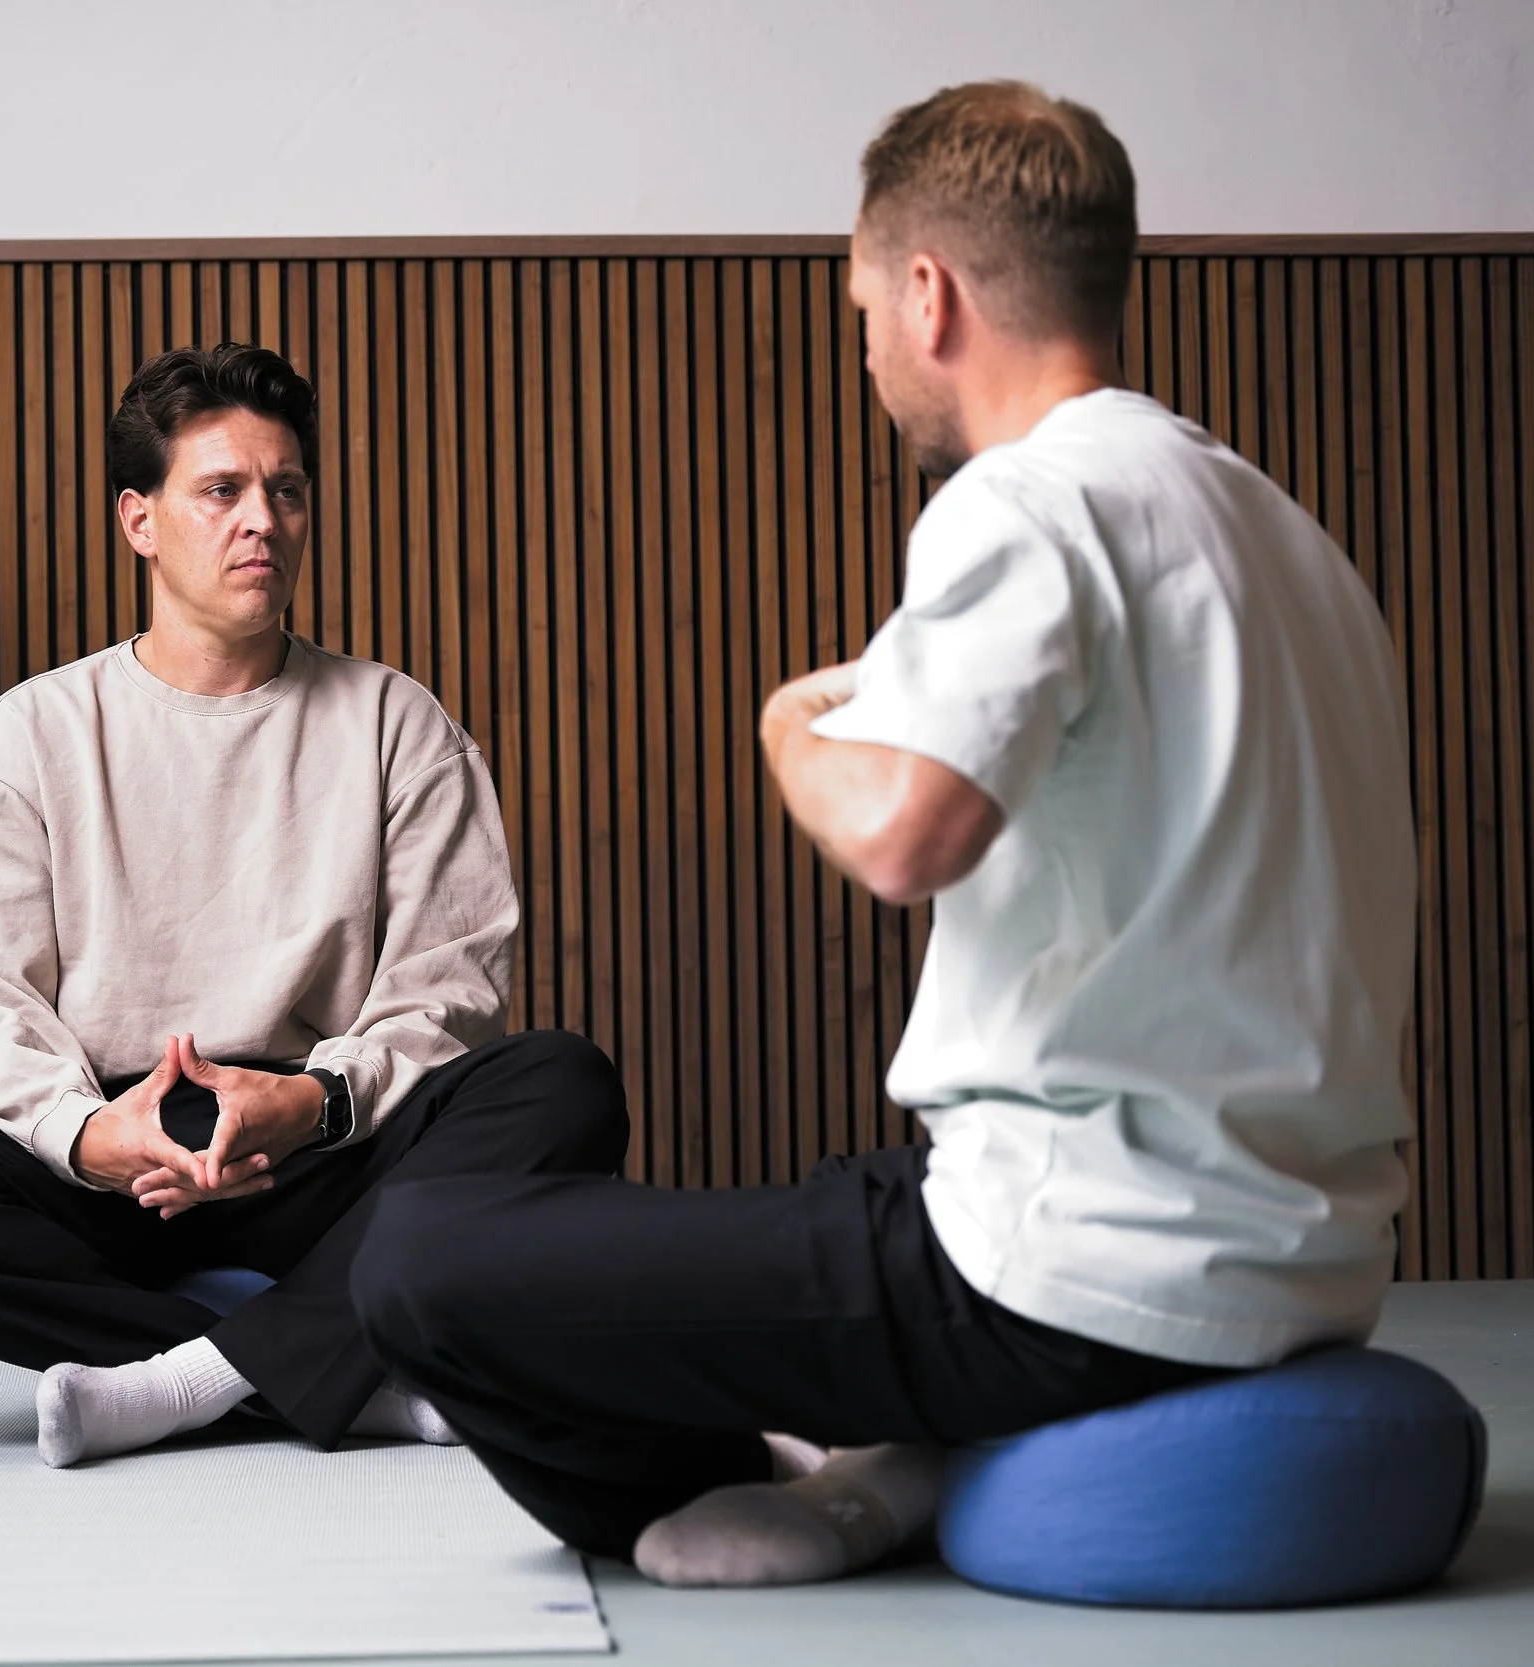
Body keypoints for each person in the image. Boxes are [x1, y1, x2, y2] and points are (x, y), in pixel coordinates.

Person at [351, 80, 1420, 1586]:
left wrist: (789, 727)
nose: (866, 354)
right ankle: (898, 1459)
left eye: (862, 313)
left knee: (414, 1262)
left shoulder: (1024, 499)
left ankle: (777, 1493)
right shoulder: (1280, 533)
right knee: (837, 1193)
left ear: (928, 295)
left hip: (1068, 1269)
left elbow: (904, 833)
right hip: (1310, 1256)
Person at [0, 343, 627, 1468]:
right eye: (222, 490)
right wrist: (95, 1134)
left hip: (323, 1144)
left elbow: (450, 987)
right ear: (139, 519)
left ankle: (187, 1378)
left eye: (287, 490)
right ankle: (338, 1373)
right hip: (111, 1163)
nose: (263, 522)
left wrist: (315, 1103)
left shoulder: (398, 725)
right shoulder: (31, 737)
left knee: (564, 1086)